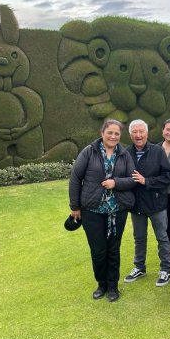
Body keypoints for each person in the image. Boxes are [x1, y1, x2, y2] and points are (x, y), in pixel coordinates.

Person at [69, 119, 136, 302]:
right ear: (102, 133)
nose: (113, 136)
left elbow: (133, 179)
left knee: (113, 249)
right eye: (110, 133)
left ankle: (113, 286)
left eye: (116, 134)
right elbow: (75, 178)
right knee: (98, 250)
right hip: (92, 210)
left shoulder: (124, 154)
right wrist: (74, 206)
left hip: (117, 210)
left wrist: (116, 183)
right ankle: (101, 284)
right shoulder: (89, 152)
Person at [125, 120, 170, 287]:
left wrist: (147, 181)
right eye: (135, 132)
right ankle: (139, 267)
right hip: (136, 204)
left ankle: (165, 269)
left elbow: (168, 176)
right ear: (130, 135)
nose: (138, 135)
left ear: (147, 133)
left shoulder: (158, 151)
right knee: (139, 237)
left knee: (162, 237)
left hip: (156, 203)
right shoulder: (125, 153)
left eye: (141, 132)